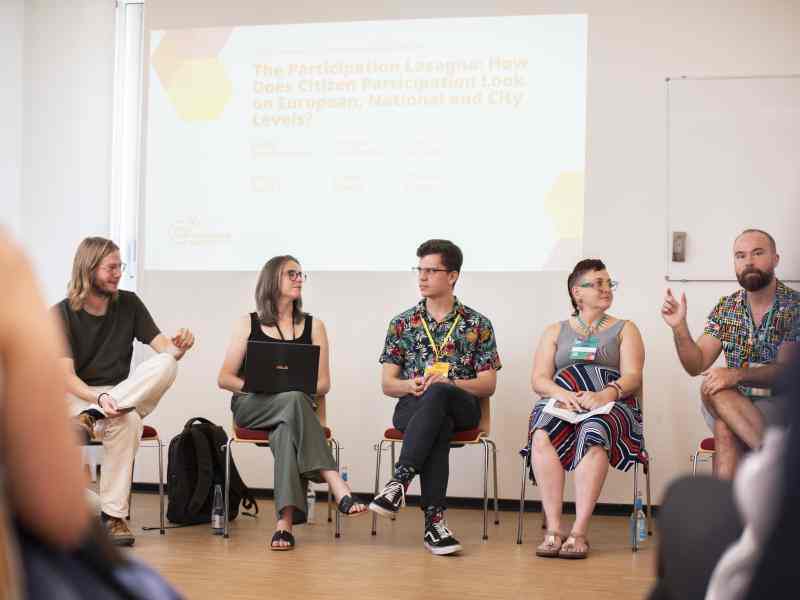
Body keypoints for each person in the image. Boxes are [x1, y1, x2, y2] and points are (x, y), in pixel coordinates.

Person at [217, 255, 366, 551]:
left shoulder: (314, 326)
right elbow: (225, 378)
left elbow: (323, 384)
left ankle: (284, 525)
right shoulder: (248, 323)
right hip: (253, 407)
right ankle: (334, 480)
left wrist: (288, 391)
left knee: (287, 429)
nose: (299, 279)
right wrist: (265, 386)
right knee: (295, 399)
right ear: (272, 280)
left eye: (301, 274)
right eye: (292, 274)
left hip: (294, 412)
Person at [54, 237, 195, 545]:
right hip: (77, 398)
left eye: (121, 267)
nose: (118, 273)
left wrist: (180, 346)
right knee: (128, 421)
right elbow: (66, 377)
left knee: (168, 364)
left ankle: (112, 518)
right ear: (88, 269)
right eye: (111, 267)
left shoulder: (129, 303)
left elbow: (164, 350)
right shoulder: (61, 313)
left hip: (116, 397)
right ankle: (108, 513)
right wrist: (96, 399)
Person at [371, 239, 501, 556]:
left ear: (452, 276)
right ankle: (434, 524)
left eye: (431, 270)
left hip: (463, 410)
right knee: (436, 422)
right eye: (420, 269)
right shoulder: (402, 323)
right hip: (413, 407)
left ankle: (399, 482)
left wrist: (450, 381)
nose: (422, 277)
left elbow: (488, 384)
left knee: (441, 391)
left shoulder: (477, 323)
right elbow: (388, 384)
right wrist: (411, 385)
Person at [528, 258, 645, 559]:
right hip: (563, 398)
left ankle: (579, 531)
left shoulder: (625, 328)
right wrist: (561, 394)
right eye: (597, 283)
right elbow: (539, 379)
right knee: (542, 432)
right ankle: (554, 529)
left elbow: (632, 376)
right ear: (576, 293)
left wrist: (605, 394)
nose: (605, 289)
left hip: (610, 402)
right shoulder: (555, 330)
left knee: (595, 431)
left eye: (608, 283)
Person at [661, 229, 799, 479]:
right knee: (710, 386)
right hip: (729, 400)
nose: (749, 262)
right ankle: (777, 463)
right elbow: (696, 364)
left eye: (758, 253)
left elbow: (786, 372)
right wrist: (680, 327)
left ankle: (726, 516)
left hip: (779, 403)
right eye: (740, 255)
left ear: (776, 259)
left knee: (726, 428)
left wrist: (735, 375)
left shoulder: (794, 307)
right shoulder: (727, 307)